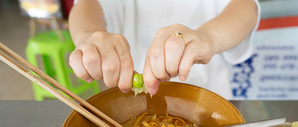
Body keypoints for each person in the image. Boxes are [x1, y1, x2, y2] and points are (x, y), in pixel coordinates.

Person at [68, 0, 260, 99]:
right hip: (134, 101)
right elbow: (87, 4)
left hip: (211, 98)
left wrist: (208, 37)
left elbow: (245, 7)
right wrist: (89, 35)